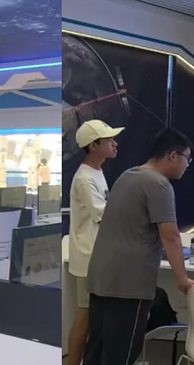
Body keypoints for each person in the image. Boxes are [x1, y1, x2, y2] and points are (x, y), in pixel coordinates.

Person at [84, 128, 194, 365]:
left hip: (102, 277)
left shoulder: (128, 175)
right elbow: (171, 236)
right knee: (121, 355)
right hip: (129, 284)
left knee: (97, 350)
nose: (188, 164)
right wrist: (182, 279)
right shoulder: (158, 184)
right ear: (173, 155)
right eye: (188, 157)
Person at [67, 120, 123, 365]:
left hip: (97, 256)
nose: (115, 143)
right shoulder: (84, 179)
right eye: (109, 140)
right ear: (93, 145)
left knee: (91, 316)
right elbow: (103, 215)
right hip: (89, 257)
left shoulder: (96, 173)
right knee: (85, 316)